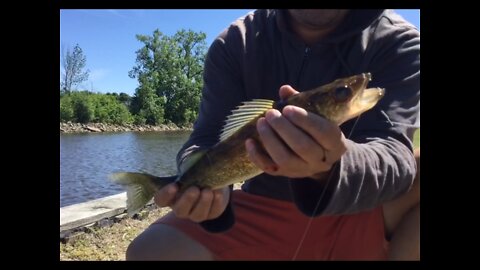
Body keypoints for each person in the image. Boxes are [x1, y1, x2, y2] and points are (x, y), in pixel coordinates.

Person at [126, 9, 420, 260]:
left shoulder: (400, 42)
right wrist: (208, 191)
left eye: (341, 93)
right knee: (147, 251)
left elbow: (395, 155)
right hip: (259, 211)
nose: (351, 90)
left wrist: (333, 166)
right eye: (342, 92)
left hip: (360, 208)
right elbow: (206, 139)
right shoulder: (234, 44)